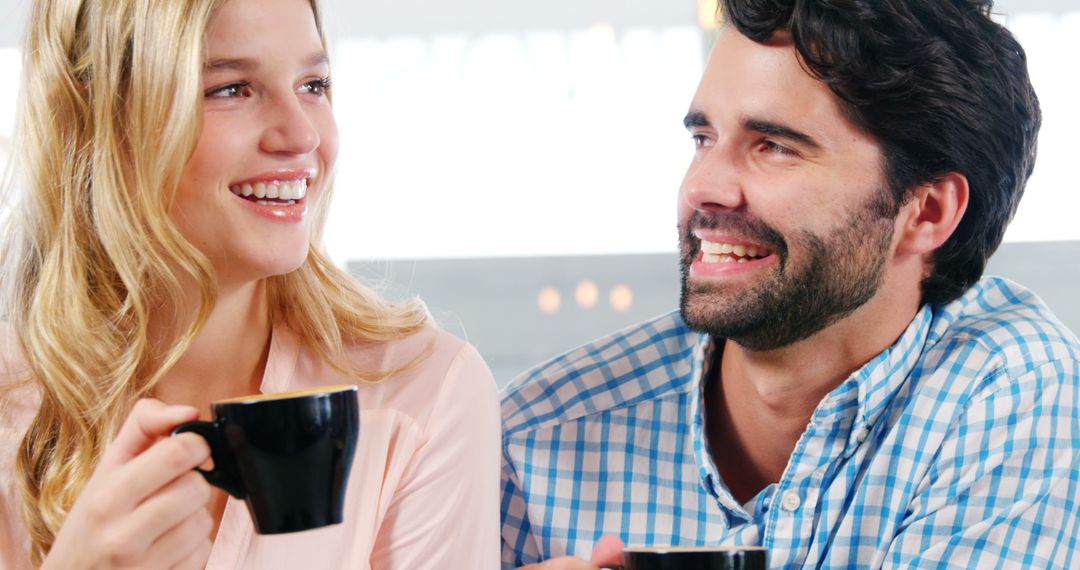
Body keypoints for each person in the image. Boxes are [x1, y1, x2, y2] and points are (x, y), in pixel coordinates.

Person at [500, 0, 1079, 568]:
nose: (704, 187)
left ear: (926, 213)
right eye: (703, 139)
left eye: (774, 147)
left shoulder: (1017, 395)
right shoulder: (530, 444)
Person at [0, 0, 500, 568]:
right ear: (98, 119)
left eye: (313, 83)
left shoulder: (423, 394)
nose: (302, 134)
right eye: (232, 89)